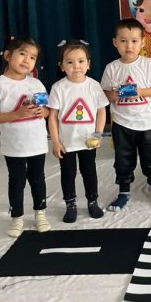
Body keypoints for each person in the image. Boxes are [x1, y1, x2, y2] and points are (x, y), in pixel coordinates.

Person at [0, 36, 51, 238]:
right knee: (17, 181)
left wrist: (43, 112)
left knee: (38, 179)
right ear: (7, 55)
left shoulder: (36, 83)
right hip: (14, 145)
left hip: (37, 143)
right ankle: (17, 217)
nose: (27, 60)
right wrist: (16, 114)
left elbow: (47, 109)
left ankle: (40, 213)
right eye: (22, 54)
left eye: (33, 57)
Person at [101, 18, 151, 211]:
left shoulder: (149, 64)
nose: (129, 46)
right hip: (122, 124)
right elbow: (103, 94)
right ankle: (123, 192)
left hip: (147, 123)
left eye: (134, 41)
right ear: (115, 42)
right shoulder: (111, 68)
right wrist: (114, 94)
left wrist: (141, 92)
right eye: (123, 41)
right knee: (123, 161)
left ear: (142, 42)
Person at [48, 39, 108, 223]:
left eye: (81, 61)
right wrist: (55, 141)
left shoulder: (94, 85)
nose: (76, 66)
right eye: (70, 62)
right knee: (68, 173)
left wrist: (98, 134)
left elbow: (101, 111)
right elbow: (52, 116)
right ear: (62, 66)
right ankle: (70, 204)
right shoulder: (58, 88)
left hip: (88, 141)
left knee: (89, 171)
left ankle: (92, 201)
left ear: (88, 64)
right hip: (66, 143)